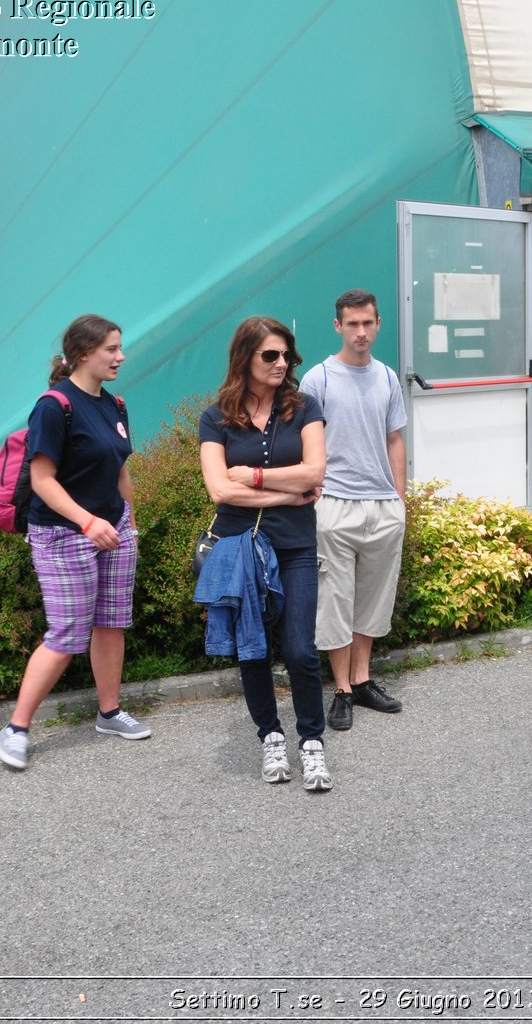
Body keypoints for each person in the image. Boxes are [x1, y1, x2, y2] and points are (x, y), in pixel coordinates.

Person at [0, 315, 146, 770]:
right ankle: (16, 729)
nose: (120, 356)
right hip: (64, 535)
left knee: (111, 623)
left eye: (120, 347)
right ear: (83, 354)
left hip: (114, 531)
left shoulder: (114, 405)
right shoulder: (54, 406)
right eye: (111, 349)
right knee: (65, 635)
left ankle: (110, 712)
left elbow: (120, 469)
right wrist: (86, 523)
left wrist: (128, 522)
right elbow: (42, 480)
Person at [198, 317, 330, 791]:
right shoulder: (216, 417)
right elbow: (218, 489)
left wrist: (250, 477)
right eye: (269, 355)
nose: (281, 363)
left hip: (295, 547)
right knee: (253, 648)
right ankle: (271, 736)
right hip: (242, 549)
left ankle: (311, 742)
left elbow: (315, 471)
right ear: (245, 359)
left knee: (299, 649)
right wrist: (287, 493)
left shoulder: (304, 407)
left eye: (286, 355)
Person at [301, 289, 407, 732]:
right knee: (336, 602)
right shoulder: (318, 379)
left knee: (373, 600)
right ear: (338, 326)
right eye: (352, 324)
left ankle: (363, 680)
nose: (360, 332)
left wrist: (400, 500)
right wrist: (317, 496)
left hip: (382, 507)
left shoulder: (387, 377)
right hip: (335, 507)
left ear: (378, 323)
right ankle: (341, 688)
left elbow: (395, 439)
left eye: (367, 323)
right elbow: (305, 443)